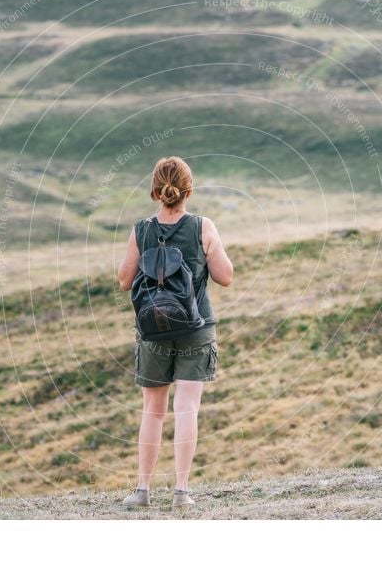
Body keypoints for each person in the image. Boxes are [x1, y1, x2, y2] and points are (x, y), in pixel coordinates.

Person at [117, 156, 233, 507]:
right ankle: (181, 492)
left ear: (155, 190)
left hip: (153, 329)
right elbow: (225, 276)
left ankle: (142, 491)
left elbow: (124, 281)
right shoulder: (202, 226)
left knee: (153, 410)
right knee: (187, 409)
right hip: (196, 328)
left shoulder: (141, 229)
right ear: (188, 190)